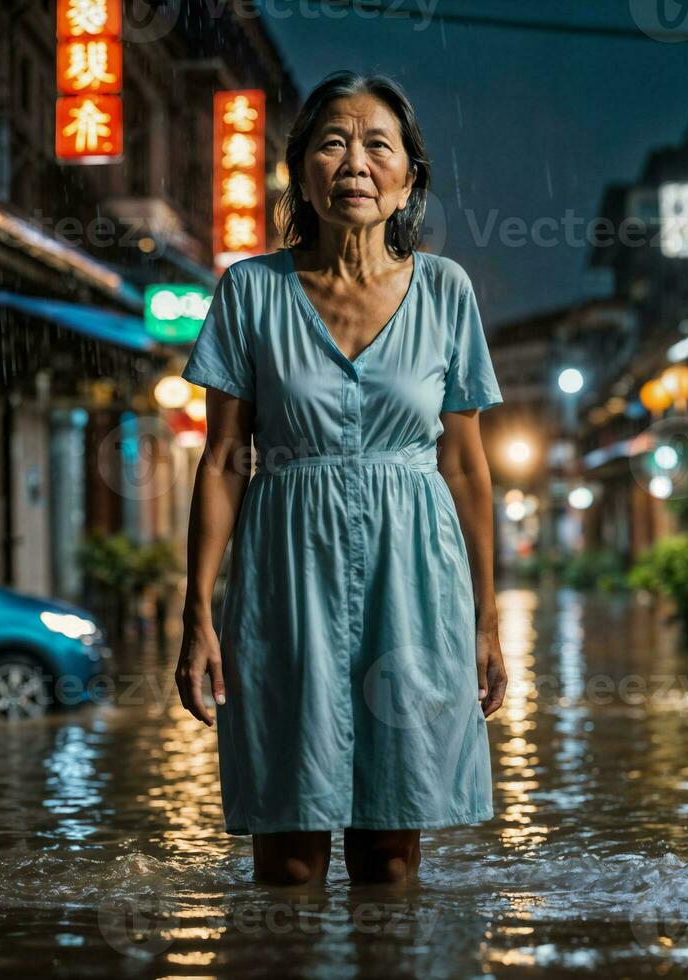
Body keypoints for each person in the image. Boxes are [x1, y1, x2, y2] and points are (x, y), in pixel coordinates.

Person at [177, 70, 507, 886]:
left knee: (390, 855)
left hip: (414, 576)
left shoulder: (446, 291)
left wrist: (489, 618)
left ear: (408, 180)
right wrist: (197, 613)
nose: (354, 162)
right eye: (332, 142)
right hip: (285, 575)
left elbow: (465, 465)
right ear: (300, 173)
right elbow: (224, 459)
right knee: (286, 852)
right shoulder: (251, 291)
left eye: (376, 145)